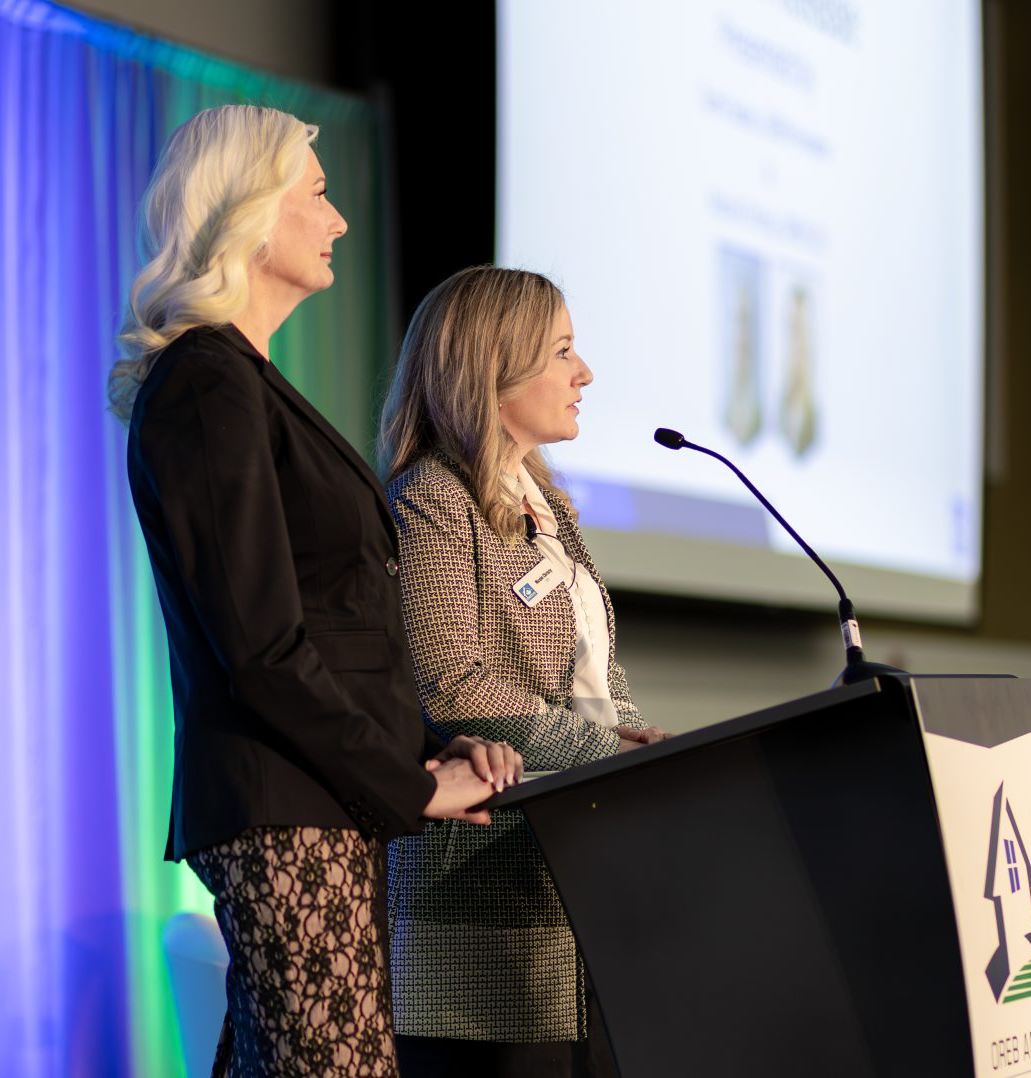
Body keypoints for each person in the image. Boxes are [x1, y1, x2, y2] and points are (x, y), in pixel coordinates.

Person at [111, 106, 521, 1077]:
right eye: (320, 193)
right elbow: (259, 647)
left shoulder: (240, 381)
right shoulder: (207, 384)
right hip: (282, 807)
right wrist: (409, 785)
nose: (338, 220)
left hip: (317, 805)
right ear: (252, 212)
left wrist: (430, 745)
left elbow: (333, 632)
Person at [376, 266, 671, 1077]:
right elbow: (452, 682)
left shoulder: (544, 503)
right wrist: (609, 752)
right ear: (491, 367)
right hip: (483, 903)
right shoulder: (432, 497)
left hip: (580, 892)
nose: (585, 375)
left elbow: (589, 674)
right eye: (563, 352)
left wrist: (638, 736)